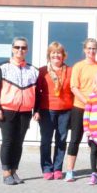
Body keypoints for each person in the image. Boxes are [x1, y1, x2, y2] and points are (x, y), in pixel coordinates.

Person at [0, 36, 39, 185]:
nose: (20, 50)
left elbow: (38, 93)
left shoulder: (33, 70)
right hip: (7, 110)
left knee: (19, 143)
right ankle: (6, 173)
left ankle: (14, 171)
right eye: (17, 47)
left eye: (23, 48)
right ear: (12, 49)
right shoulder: (2, 67)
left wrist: (36, 110)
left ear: (27, 50)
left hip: (25, 112)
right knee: (8, 141)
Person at [65, 38, 97, 182]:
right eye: (89, 48)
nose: (91, 51)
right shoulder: (78, 66)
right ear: (84, 50)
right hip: (80, 107)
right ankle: (70, 170)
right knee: (75, 139)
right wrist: (87, 101)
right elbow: (74, 87)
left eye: (94, 48)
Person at [37, 41, 73, 180]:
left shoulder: (70, 71)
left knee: (61, 140)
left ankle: (57, 168)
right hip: (47, 109)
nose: (56, 55)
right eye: (53, 52)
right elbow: (37, 92)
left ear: (63, 56)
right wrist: (37, 110)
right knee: (46, 139)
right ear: (49, 55)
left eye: (59, 52)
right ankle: (46, 168)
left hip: (65, 109)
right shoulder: (42, 71)